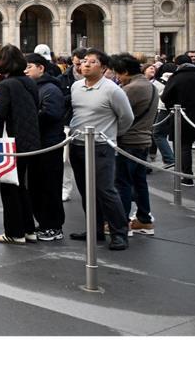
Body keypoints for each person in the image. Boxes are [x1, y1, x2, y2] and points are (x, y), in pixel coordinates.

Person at [67, 48, 133, 250]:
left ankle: (119, 233)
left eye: (92, 62)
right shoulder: (76, 87)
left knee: (106, 191)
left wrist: (110, 134)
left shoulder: (113, 90)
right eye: (84, 61)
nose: (85, 64)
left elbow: (127, 118)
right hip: (77, 144)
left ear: (104, 68)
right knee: (86, 191)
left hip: (101, 146)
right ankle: (94, 229)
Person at [0, 45, 41, 245]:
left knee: (9, 186)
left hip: (12, 140)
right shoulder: (29, 81)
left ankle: (13, 232)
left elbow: (0, 115)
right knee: (21, 187)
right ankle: (28, 229)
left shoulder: (6, 85)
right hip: (30, 140)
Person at [111, 53, 158, 235]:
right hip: (143, 139)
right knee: (139, 182)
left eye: (118, 74)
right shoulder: (148, 85)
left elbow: (115, 113)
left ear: (124, 72)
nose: (117, 78)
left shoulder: (131, 89)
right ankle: (144, 220)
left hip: (128, 141)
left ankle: (122, 222)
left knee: (121, 182)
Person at [24, 53, 67, 240]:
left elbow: (51, 114)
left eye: (29, 67)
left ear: (41, 68)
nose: (25, 71)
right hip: (38, 143)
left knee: (49, 186)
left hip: (48, 144)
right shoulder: (37, 87)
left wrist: (28, 116)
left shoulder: (50, 89)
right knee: (36, 186)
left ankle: (53, 225)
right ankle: (43, 222)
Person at [161, 54, 195, 188]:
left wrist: (172, 106)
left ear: (178, 65)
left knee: (184, 146)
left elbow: (165, 97)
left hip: (183, 116)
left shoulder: (176, 78)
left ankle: (187, 176)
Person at [147, 62, 176, 168]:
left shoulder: (157, 82)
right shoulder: (176, 79)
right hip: (176, 110)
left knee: (158, 134)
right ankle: (155, 155)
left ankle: (169, 158)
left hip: (161, 110)